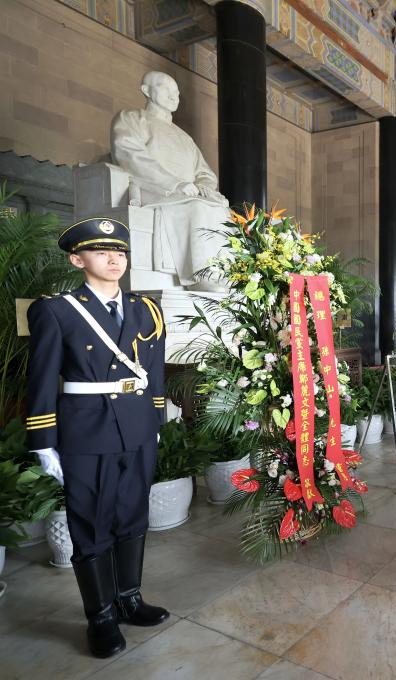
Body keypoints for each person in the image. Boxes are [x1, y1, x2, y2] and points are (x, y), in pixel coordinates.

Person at [27, 218, 169, 658]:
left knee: (133, 513)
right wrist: (43, 440)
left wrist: (156, 419)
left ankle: (130, 599)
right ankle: (101, 617)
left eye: (120, 252)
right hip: (87, 429)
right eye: (101, 252)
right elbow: (41, 377)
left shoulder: (146, 309)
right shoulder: (57, 310)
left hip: (137, 424)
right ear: (77, 260)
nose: (114, 260)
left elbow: (155, 370)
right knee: (91, 522)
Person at [111, 71, 229, 290]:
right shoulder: (131, 118)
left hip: (188, 194)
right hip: (154, 189)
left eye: (177, 92)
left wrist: (203, 186)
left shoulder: (184, 137)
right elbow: (130, 155)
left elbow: (205, 173)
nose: (174, 95)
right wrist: (175, 184)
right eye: (166, 88)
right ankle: (202, 275)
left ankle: (225, 272)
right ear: (146, 90)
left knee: (221, 207)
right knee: (197, 207)